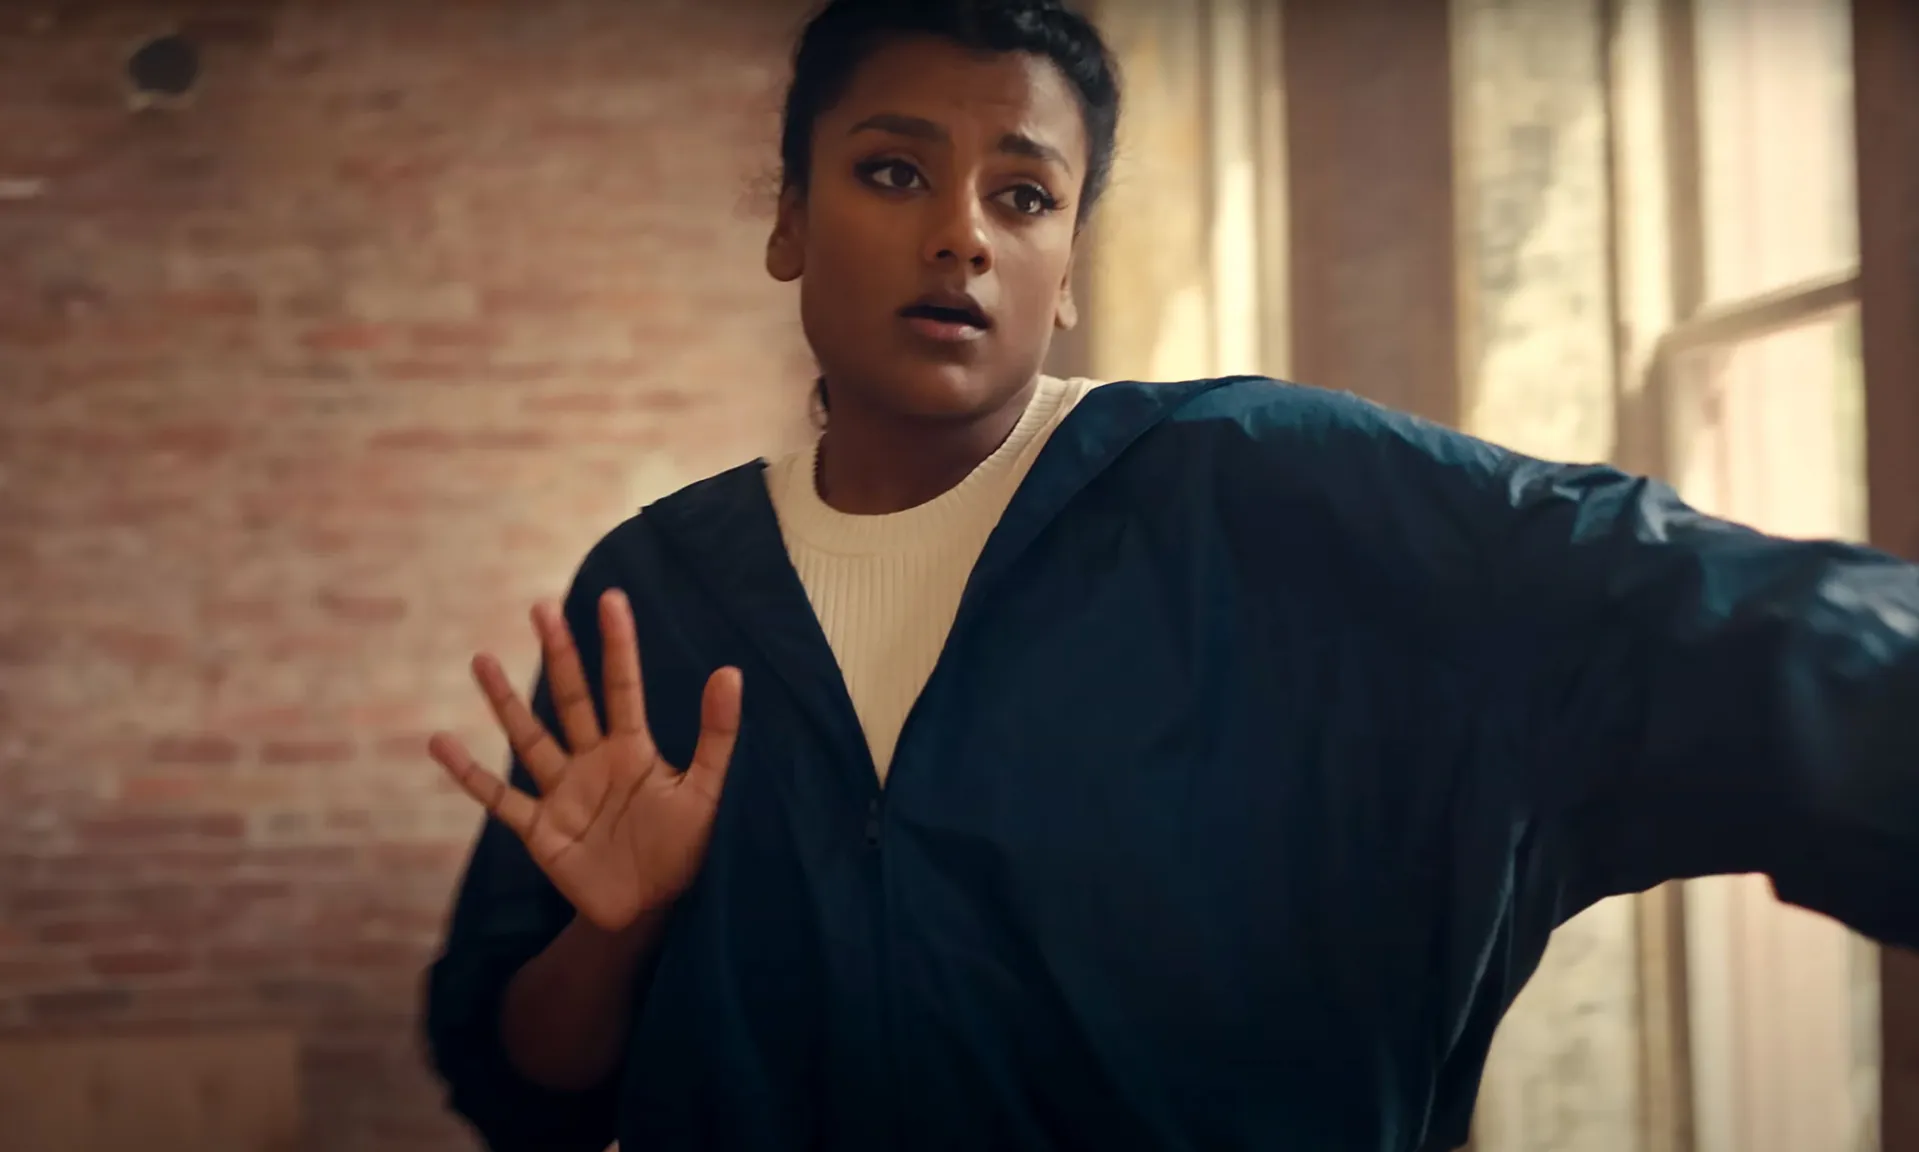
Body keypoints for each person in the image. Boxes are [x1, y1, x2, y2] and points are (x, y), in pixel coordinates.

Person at [421, 1, 1919, 1149]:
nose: (960, 234)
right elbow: (527, 1087)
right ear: (790, 222)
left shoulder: (1268, 495)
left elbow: (1672, 604)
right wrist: (617, 931)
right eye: (892, 172)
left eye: (1024, 197)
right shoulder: (663, 592)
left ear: (1068, 269)